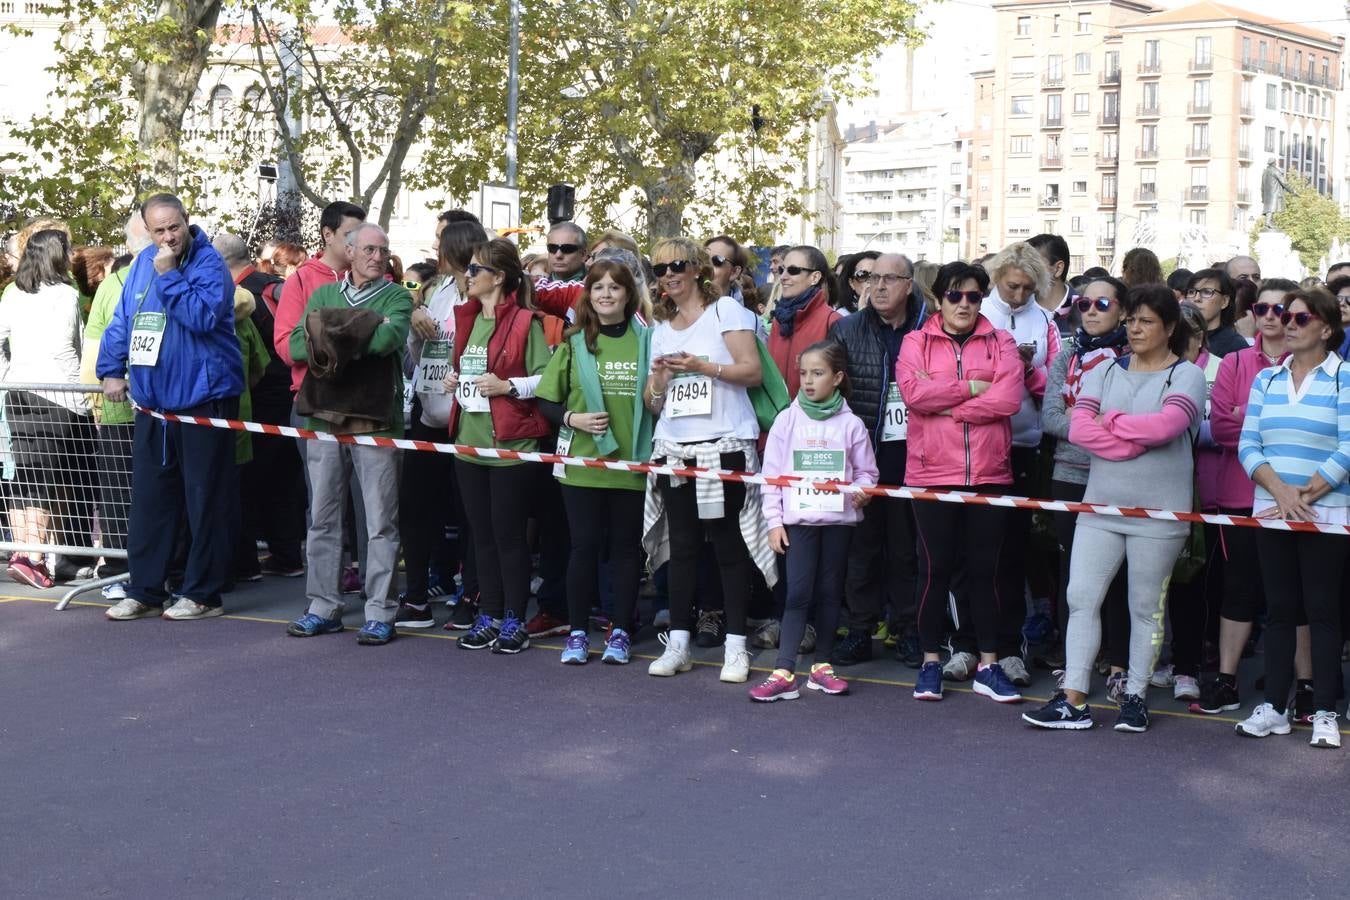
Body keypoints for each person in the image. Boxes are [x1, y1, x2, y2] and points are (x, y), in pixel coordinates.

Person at [1023, 285, 1206, 733]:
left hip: (1160, 512)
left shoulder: (1187, 376)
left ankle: (1136, 696)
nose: (1136, 328)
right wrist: (1129, 445)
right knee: (1080, 596)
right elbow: (1081, 428)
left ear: (1169, 328)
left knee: (1145, 606)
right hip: (1101, 504)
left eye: (1146, 321)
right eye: (1132, 320)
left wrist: (1116, 425)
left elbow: (1169, 425)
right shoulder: (1105, 371)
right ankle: (1073, 698)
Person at [95, 194, 243, 621]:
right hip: (155, 404)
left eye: (172, 228)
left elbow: (201, 317)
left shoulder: (209, 263)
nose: (166, 238)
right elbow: (124, 320)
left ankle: (203, 593)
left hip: (204, 398)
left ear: (186, 222)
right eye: (158, 230)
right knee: (151, 500)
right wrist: (111, 369)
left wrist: (171, 276)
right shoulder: (141, 264)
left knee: (205, 499)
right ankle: (145, 589)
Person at [641, 236, 775, 683]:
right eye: (660, 269)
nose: (669, 275)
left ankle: (736, 646)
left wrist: (703, 367)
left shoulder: (726, 312)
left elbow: (751, 370)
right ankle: (678, 642)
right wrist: (659, 380)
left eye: (677, 265)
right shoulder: (660, 327)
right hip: (675, 449)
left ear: (697, 268)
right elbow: (653, 401)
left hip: (724, 446)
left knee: (728, 547)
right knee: (682, 549)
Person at [899, 261, 1024, 703]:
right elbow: (914, 396)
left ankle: (988, 666)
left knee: (985, 574)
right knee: (934, 571)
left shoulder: (1002, 340)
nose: (964, 304)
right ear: (938, 299)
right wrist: (973, 388)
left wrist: (950, 404)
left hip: (989, 474)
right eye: (955, 295)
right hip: (931, 474)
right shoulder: (915, 341)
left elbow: (1009, 398)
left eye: (973, 296)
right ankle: (930, 662)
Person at [284, 223, 411, 645]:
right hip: (322, 418)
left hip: (378, 421)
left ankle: (380, 611)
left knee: (379, 521)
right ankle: (322, 605)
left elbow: (388, 340)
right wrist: (358, 329)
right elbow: (300, 347)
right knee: (321, 517)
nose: (378, 256)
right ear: (350, 251)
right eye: (370, 249)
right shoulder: (322, 293)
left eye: (383, 249)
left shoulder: (397, 296)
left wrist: (331, 334)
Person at [1235, 288, 1350, 747]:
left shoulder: (1344, 379)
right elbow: (1248, 445)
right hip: (1272, 510)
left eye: (1301, 319)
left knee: (1322, 612)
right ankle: (1275, 707)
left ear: (1325, 328)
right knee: (1279, 612)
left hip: (1328, 514)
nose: (1288, 324)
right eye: (1286, 316)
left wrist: (1308, 494)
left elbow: (1348, 446)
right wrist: (1282, 493)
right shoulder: (1266, 380)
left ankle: (1323, 711)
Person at [1193, 279, 1308, 717]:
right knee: (1238, 590)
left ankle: (1307, 686)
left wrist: (1249, 416)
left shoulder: (1317, 365)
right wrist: (1274, 423)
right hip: (1240, 494)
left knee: (1292, 596)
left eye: (1282, 309)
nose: (1270, 316)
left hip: (1299, 496)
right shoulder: (1236, 361)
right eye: (1261, 308)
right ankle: (1226, 680)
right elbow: (1221, 429)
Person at [536, 259, 654, 665]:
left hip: (633, 462)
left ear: (628, 295)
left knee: (625, 551)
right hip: (582, 464)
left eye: (614, 287)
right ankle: (578, 633)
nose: (606, 294)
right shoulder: (573, 342)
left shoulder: (650, 341)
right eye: (598, 287)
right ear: (588, 295)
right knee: (583, 548)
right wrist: (574, 418)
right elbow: (547, 402)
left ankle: (620, 630)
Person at [750, 341, 878, 701]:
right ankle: (784, 670)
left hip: (839, 522)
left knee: (829, 593)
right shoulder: (786, 420)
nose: (808, 381)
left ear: (837, 378)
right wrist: (775, 522)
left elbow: (868, 472)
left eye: (817, 373)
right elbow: (771, 476)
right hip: (800, 523)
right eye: (803, 373)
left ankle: (822, 668)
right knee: (798, 593)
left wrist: (863, 490)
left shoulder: (851, 424)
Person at [444, 238, 552, 654]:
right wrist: (457, 381)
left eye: (474, 270)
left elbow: (548, 378)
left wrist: (508, 385)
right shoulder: (469, 318)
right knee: (481, 535)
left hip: (511, 444)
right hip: (468, 442)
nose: (467, 276)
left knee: (509, 536)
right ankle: (488, 614)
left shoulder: (527, 321)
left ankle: (513, 618)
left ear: (499, 277)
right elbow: (468, 368)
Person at [968, 242, 1060, 686]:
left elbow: (1058, 386)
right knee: (969, 553)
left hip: (1024, 442)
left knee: (1012, 552)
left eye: (1028, 288)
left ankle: (1009, 648)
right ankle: (964, 644)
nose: (1019, 296)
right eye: (1012, 287)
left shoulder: (1045, 321)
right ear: (997, 279)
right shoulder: (974, 309)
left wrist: (1027, 370)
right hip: (974, 441)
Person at [828, 253, 924, 668]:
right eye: (870, 278)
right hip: (862, 450)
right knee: (861, 548)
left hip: (914, 452)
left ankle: (908, 630)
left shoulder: (929, 328)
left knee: (906, 549)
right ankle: (859, 629)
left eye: (889, 278)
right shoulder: (847, 329)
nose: (878, 286)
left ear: (908, 284)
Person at [394, 218, 488, 630]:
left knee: (471, 513)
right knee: (416, 507)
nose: (435, 248)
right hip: (429, 412)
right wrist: (415, 324)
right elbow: (420, 352)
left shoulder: (488, 294)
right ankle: (416, 595)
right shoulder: (437, 290)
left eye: (441, 242)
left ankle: (473, 595)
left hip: (470, 415)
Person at [1040, 275, 1131, 688]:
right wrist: (1097, 428)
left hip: (1117, 477)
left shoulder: (1132, 358)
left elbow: (1134, 420)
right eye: (1084, 304)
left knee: (1117, 576)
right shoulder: (1068, 356)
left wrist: (1088, 423)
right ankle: (1074, 660)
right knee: (1072, 574)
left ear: (1122, 311)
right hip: (1069, 475)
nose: (1091, 311)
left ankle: (1118, 662)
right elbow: (1051, 417)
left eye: (1102, 304)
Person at [0, 229, 98, 588]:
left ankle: (27, 554)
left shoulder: (13, 293)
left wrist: (8, 377)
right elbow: (67, 349)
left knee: (28, 476)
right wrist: (80, 393)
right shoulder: (66, 295)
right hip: (59, 397)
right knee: (53, 479)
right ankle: (34, 557)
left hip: (18, 393)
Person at [212, 232, 306, 578]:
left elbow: (256, 357)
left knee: (249, 482)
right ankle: (287, 554)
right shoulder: (275, 284)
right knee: (282, 479)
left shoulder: (241, 296)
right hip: (291, 390)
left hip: (260, 397)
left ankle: (246, 562)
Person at [80, 215, 153, 599]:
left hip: (148, 408)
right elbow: (95, 350)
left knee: (129, 492)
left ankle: (133, 569)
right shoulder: (115, 286)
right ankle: (121, 570)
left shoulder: (116, 284)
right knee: (123, 492)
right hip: (129, 408)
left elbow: (91, 351)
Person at [767, 245, 844, 397]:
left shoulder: (833, 321)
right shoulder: (779, 320)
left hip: (816, 418)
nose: (783, 277)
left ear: (815, 277)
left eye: (793, 270)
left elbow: (841, 381)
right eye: (782, 270)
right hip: (779, 418)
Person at [1185, 268, 1248, 357]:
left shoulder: (1235, 346)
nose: (1196, 298)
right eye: (1191, 292)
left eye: (1207, 292)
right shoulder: (1175, 337)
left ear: (1224, 301)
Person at [1028, 232, 1076, 334]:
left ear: (1058, 268)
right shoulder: (1016, 309)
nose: (1024, 270)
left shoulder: (1085, 309)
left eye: (1033, 264)